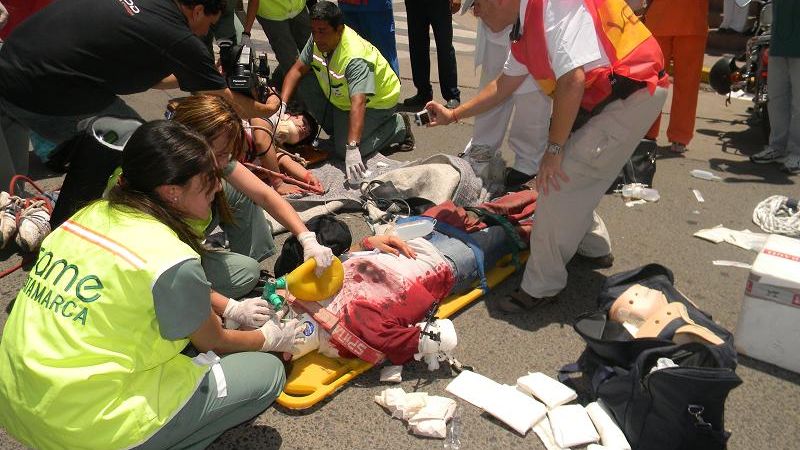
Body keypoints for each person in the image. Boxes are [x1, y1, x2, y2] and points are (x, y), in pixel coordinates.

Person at [0, 120, 304, 450]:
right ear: (171, 191)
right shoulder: (170, 256)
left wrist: (226, 309)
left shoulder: (86, 216)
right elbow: (213, 342)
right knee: (266, 372)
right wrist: (270, 337)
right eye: (208, 181)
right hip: (87, 428)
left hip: (18, 403)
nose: (219, 188)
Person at [427, 0, 668, 311]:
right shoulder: (526, 26)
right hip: (615, 93)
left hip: (631, 90)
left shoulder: (548, 7)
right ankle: (594, 247)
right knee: (574, 179)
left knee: (557, 184)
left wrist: (553, 151)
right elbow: (503, 85)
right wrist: (454, 114)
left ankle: (541, 287)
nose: (476, 15)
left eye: (477, 6)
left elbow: (572, 80)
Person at [0, 0, 280, 191]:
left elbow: (157, 78)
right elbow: (228, 103)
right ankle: (73, 222)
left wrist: (200, 78)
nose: (207, 32)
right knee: (145, 151)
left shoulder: (150, 8)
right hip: (41, 88)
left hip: (11, 60)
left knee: (10, 189)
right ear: (196, 11)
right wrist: (268, 110)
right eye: (209, 23)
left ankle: (16, 210)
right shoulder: (179, 37)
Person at [271, 191, 535, 366]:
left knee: (459, 212)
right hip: (443, 262)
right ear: (288, 349)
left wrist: (367, 242)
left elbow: (342, 261)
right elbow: (437, 338)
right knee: (511, 233)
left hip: (404, 240)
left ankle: (533, 195)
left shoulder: (303, 288)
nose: (278, 308)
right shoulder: (346, 333)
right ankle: (554, 214)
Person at [168, 95, 333, 298]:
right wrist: (230, 309)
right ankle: (239, 280)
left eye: (226, 154)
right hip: (166, 265)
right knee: (246, 274)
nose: (223, 168)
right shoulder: (163, 186)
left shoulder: (199, 157)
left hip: (182, 243)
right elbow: (161, 273)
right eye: (220, 153)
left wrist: (307, 238)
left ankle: (245, 265)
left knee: (236, 189)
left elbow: (264, 194)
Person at [281, 1, 414, 183]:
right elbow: (296, 70)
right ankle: (342, 131)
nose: (317, 37)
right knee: (305, 80)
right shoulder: (316, 41)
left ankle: (398, 126)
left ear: (339, 30)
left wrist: (352, 148)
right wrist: (281, 107)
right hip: (342, 98)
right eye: (314, 31)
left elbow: (358, 103)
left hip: (377, 102)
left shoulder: (354, 57)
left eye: (322, 31)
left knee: (344, 150)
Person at [458, 2, 550, 189]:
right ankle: (482, 149)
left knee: (532, 96)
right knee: (493, 83)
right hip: (501, 22)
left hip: (532, 20)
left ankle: (528, 163)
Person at [643, 0, 709, 154]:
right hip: (689, 19)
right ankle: (679, 135)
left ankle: (649, 132)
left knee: (654, 80)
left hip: (664, 17)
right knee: (685, 83)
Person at [749, 0, 799, 174]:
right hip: (779, 40)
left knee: (798, 103)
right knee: (776, 98)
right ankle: (777, 147)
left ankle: (796, 153)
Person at [402, 0, 462, 110]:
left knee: (445, 46)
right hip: (414, 3)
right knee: (417, 46)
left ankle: (452, 95)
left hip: (440, 3)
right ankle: (423, 93)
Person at [243, 0, 311, 83]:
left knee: (311, 51)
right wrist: (246, 33)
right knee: (289, 60)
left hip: (299, 8)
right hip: (272, 16)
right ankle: (297, 90)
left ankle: (278, 80)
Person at [339, 0, 400, 76]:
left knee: (383, 56)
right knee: (353, 56)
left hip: (374, 7)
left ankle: (390, 86)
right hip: (348, 6)